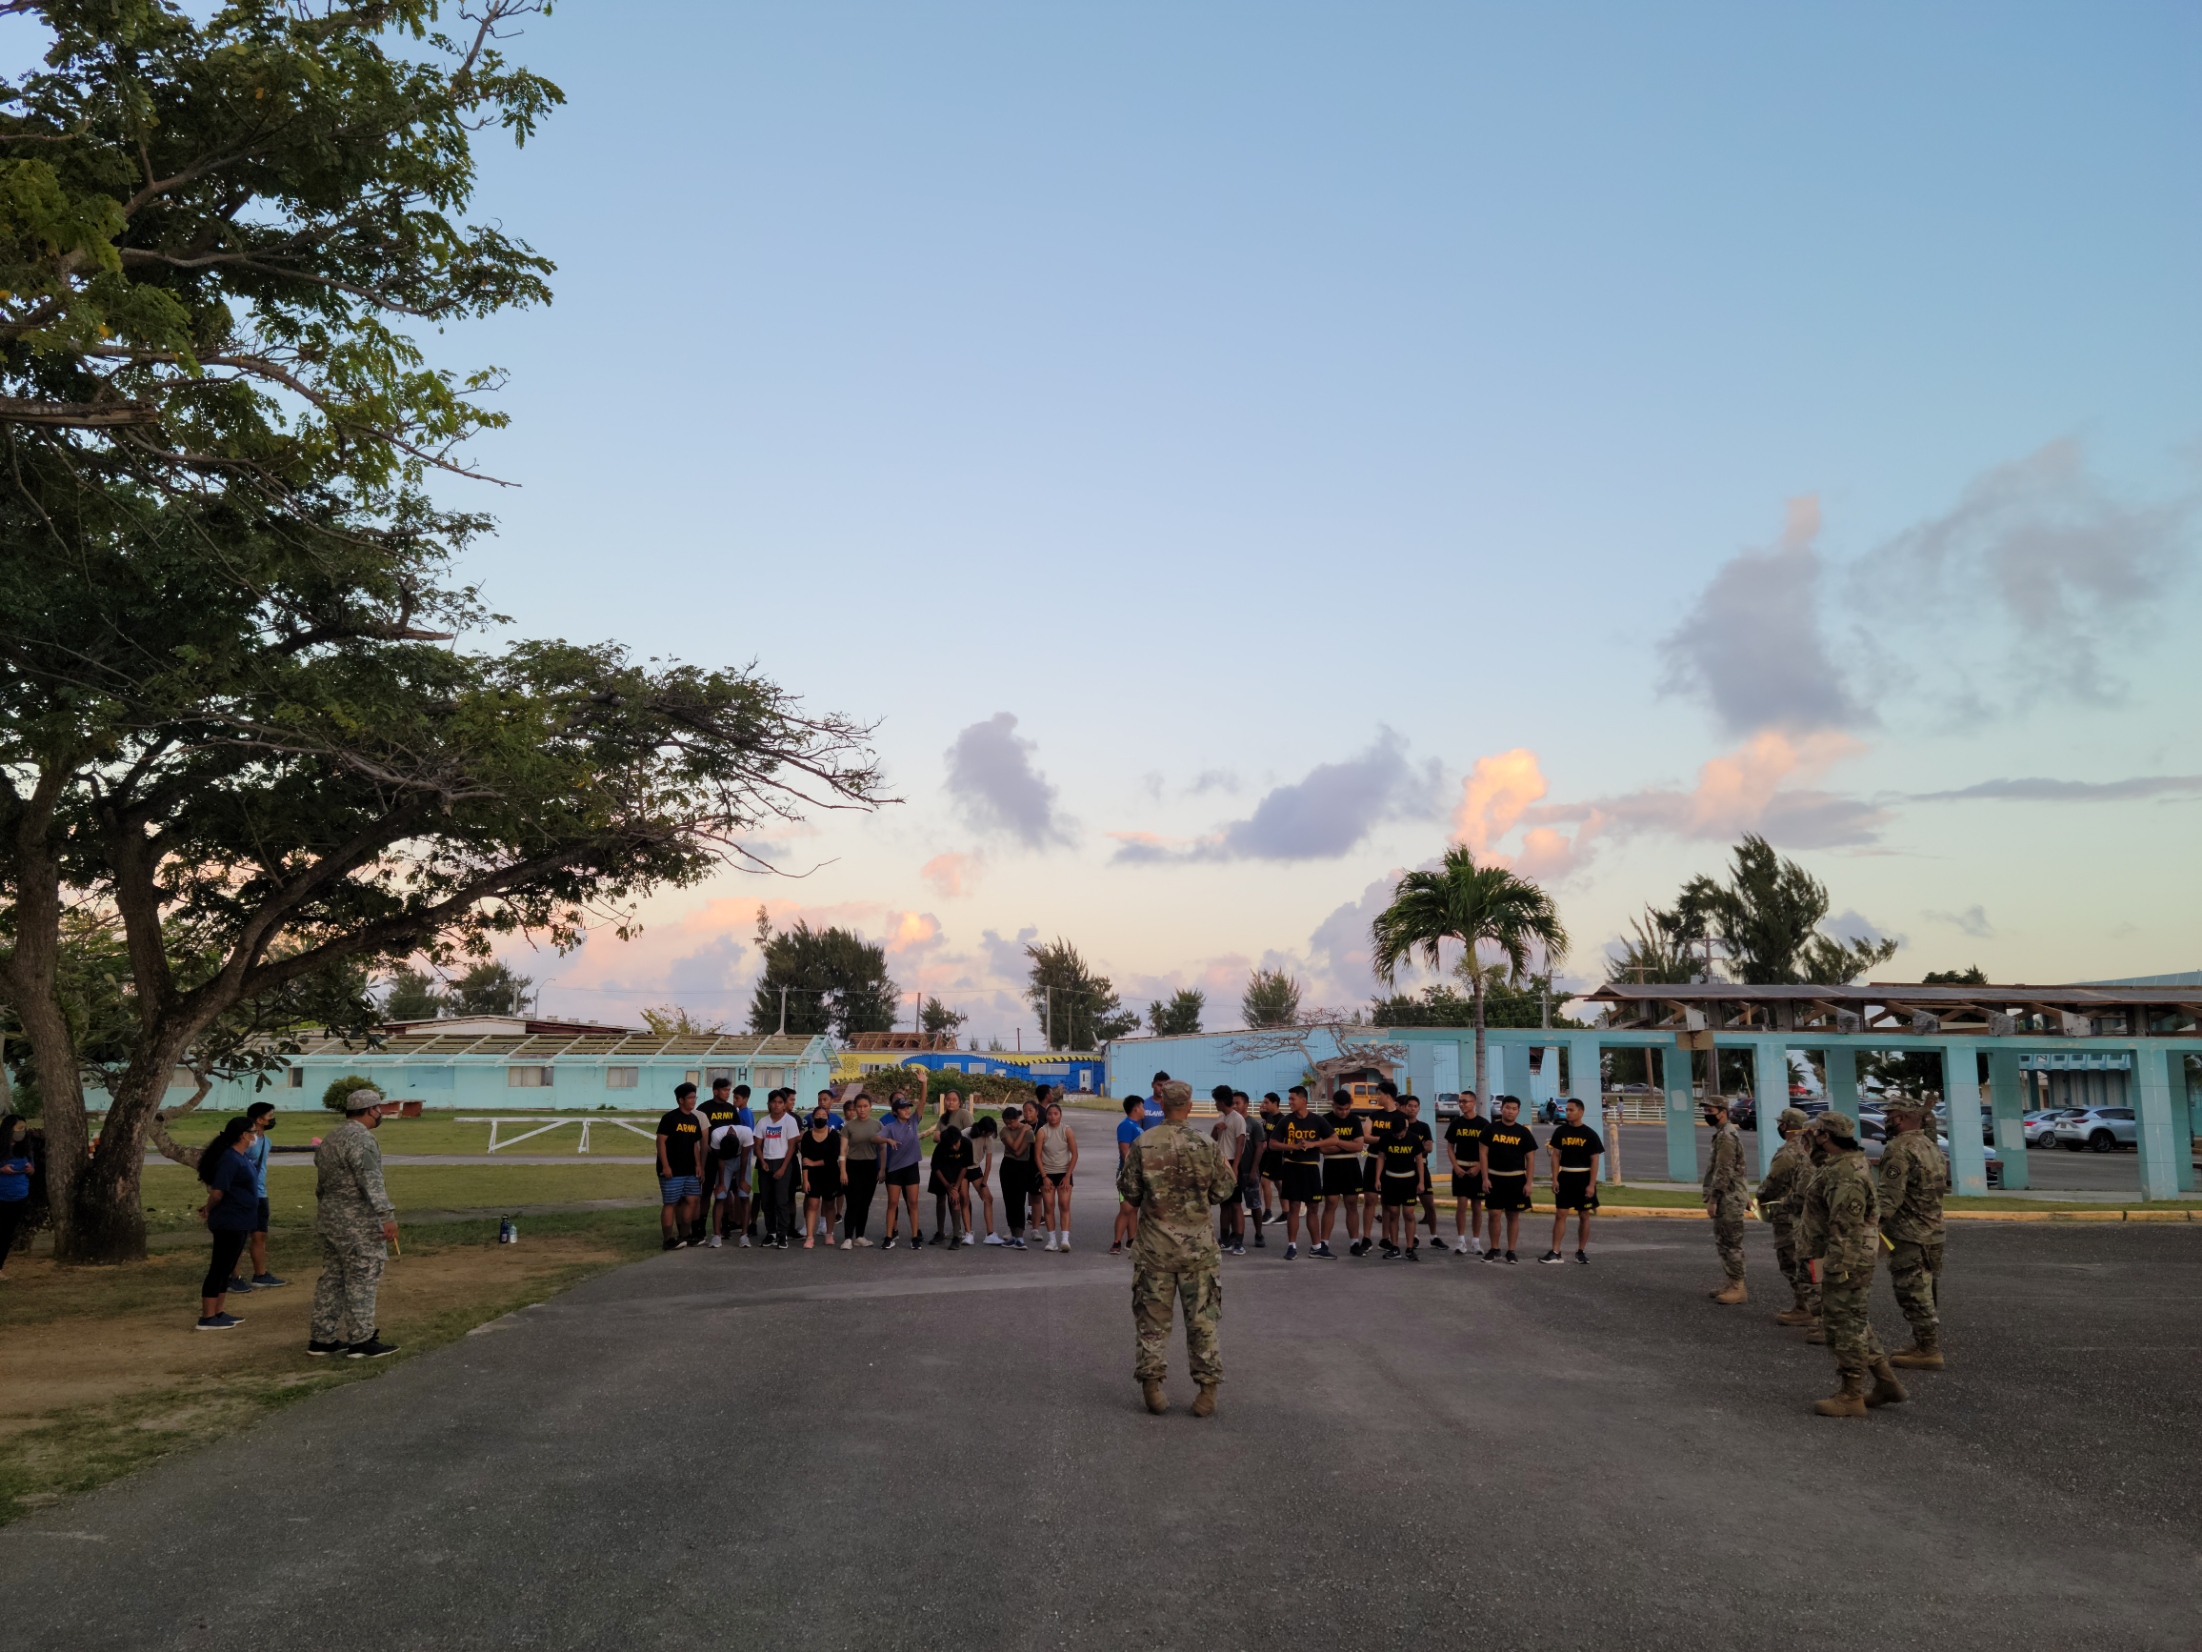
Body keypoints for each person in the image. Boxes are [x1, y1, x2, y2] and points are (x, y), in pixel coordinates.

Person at [1116, 1081, 1238, 1417]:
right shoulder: (1206, 1143)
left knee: (1152, 1323)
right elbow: (1223, 1191)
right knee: (1203, 1323)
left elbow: (1130, 1192)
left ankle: (1152, 1388)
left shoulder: (1143, 1143)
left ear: (1162, 1103)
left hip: (1155, 1251)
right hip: (1198, 1252)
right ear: (1189, 1105)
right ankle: (1207, 1392)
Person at [1797, 1113, 1907, 1418]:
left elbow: (1845, 1226)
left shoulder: (1845, 1173)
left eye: (1816, 1132)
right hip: (1845, 1256)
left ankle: (1851, 1395)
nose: (1811, 1136)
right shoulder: (1840, 1164)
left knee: (1842, 1326)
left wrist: (1831, 1269)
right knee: (1857, 1323)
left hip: (1844, 1260)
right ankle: (1887, 1384)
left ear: (1826, 1136)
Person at [309, 1088, 398, 1358]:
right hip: (357, 1220)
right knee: (363, 1275)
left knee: (333, 1277)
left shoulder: (332, 1137)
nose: (380, 1113)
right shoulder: (362, 1139)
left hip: (330, 1217)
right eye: (378, 1109)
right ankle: (361, 1340)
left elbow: (321, 1182)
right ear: (371, 1110)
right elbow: (370, 1179)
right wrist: (386, 1215)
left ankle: (322, 1338)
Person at [1876, 1094, 1949, 1370]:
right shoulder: (1929, 1144)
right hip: (1933, 1229)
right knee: (1927, 1289)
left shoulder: (1899, 1148)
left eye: (1890, 1116)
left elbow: (1889, 1199)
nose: (1887, 1120)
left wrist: (1867, 1225)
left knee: (1912, 1291)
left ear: (1903, 1118)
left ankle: (1928, 1349)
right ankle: (1922, 1342)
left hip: (1909, 1234)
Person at [194, 1116, 259, 1331]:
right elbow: (217, 1191)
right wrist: (208, 1209)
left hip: (241, 1219)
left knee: (227, 1267)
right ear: (243, 1135)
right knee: (219, 1268)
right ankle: (207, 1316)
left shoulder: (241, 1157)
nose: (256, 1135)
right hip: (229, 1221)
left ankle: (218, 1312)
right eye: (253, 1131)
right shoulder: (230, 1159)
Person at [1758, 1107, 1817, 1325]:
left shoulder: (1789, 1152)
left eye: (1781, 1123)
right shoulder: (1810, 1148)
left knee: (1791, 1262)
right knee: (1810, 1262)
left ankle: (1807, 1308)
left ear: (1785, 1126)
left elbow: (1774, 1182)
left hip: (1788, 1213)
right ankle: (1811, 1307)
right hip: (1809, 1215)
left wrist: (1760, 1197)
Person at [1540, 1098, 1603, 1264]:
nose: (1568, 1113)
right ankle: (1555, 1251)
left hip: (1583, 1177)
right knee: (1561, 1213)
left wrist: (1591, 1184)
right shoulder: (1560, 1131)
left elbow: (1595, 1161)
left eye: (1571, 1110)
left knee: (1584, 1215)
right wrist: (1554, 1178)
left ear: (1581, 1112)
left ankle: (1581, 1251)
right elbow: (1555, 1156)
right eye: (1566, 1110)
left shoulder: (1590, 1134)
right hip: (1565, 1176)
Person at [232, 1101, 286, 1291]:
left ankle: (260, 1275)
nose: (272, 1118)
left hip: (260, 1194)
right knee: (238, 1236)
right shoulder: (246, 1140)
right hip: (243, 1194)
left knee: (260, 1235)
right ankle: (234, 1277)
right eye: (270, 1115)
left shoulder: (266, 1141)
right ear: (259, 1119)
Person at [1701, 1094, 1750, 1304]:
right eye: (1705, 1111)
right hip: (1731, 1195)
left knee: (1731, 1243)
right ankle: (1731, 1282)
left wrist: (1714, 1199)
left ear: (1723, 1112)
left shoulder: (1726, 1137)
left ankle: (1738, 1287)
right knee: (1724, 1242)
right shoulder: (1723, 1134)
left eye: (1710, 1111)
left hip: (1728, 1197)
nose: (1707, 1115)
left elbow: (1724, 1170)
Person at [1477, 1096, 1537, 1264]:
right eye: (1507, 1107)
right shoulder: (1490, 1129)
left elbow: (1531, 1158)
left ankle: (1511, 1251)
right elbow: (1483, 1154)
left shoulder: (1523, 1132)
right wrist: (1485, 1178)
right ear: (1501, 1108)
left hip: (1516, 1179)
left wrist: (1528, 1183)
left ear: (1518, 1111)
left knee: (1513, 1216)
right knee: (1494, 1214)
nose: (1510, 1111)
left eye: (1514, 1108)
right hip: (1495, 1178)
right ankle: (1494, 1249)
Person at [1274, 1086, 1329, 1260]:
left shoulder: (1317, 1120)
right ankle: (1292, 1246)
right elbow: (1273, 1143)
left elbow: (1334, 1138)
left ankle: (1317, 1247)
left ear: (1303, 1100)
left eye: (1292, 1099)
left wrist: (1314, 1144)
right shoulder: (1286, 1121)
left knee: (1313, 1207)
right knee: (1294, 1208)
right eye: (1289, 1099)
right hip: (1292, 1167)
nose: (1289, 1102)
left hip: (1311, 1167)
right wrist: (1293, 1147)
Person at [655, 1082, 708, 1251]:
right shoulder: (669, 1118)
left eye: (695, 1097)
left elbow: (694, 1144)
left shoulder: (694, 1119)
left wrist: (699, 1164)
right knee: (670, 1202)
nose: (693, 1101)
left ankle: (684, 1235)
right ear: (680, 1100)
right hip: (672, 1169)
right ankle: (668, 1239)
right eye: (690, 1098)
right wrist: (665, 1166)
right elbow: (661, 1142)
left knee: (692, 1199)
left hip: (689, 1169)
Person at [1374, 1094, 1427, 1260]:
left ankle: (1410, 1248)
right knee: (1393, 1214)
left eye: (1401, 1134)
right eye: (1396, 1135)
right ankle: (1395, 1247)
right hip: (1391, 1180)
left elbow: (1419, 1160)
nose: (1399, 1137)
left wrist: (1421, 1181)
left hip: (1409, 1181)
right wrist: (1377, 1179)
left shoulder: (1413, 1139)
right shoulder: (1385, 1138)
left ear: (1406, 1128)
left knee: (1409, 1214)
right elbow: (1381, 1158)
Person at [752, 1090, 803, 1250]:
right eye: (774, 1102)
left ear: (784, 1104)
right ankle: (771, 1232)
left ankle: (783, 1234)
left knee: (782, 1201)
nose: (777, 1105)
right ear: (769, 1104)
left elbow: (791, 1147)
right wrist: (762, 1161)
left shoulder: (789, 1121)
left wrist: (783, 1168)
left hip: (783, 1162)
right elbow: (757, 1145)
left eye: (780, 1102)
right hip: (766, 1162)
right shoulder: (763, 1122)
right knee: (766, 1201)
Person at [1317, 1089, 1364, 1259]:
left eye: (1346, 1109)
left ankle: (1354, 1243)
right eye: (1339, 1109)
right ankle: (1324, 1243)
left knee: (1352, 1204)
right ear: (1333, 1105)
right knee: (1330, 1203)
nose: (1343, 1112)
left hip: (1351, 1165)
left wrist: (1336, 1142)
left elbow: (1359, 1146)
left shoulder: (1355, 1120)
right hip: (1332, 1166)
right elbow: (1322, 1148)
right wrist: (1346, 1143)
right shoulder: (1326, 1120)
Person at [695, 1079, 743, 1244]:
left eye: (729, 1090)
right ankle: (700, 1226)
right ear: (715, 1091)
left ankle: (725, 1224)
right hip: (709, 1158)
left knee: (726, 1191)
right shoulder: (704, 1109)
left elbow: (737, 1130)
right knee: (707, 1192)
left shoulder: (731, 1109)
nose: (727, 1093)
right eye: (724, 1090)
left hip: (728, 1158)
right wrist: (705, 1147)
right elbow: (699, 1132)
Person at [1443, 1091, 1491, 1254]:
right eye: (1460, 1101)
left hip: (1477, 1170)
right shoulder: (1456, 1123)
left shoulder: (1484, 1124)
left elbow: (1488, 1150)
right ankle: (1460, 1240)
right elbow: (1450, 1147)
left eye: (1465, 1101)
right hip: (1460, 1169)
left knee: (1477, 1206)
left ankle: (1476, 1241)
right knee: (1461, 1204)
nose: (1462, 1104)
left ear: (1474, 1102)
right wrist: (1456, 1166)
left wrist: (1478, 1167)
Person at [877, 1094, 924, 1252]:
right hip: (895, 1169)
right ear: (896, 1111)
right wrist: (887, 1140)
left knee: (913, 1203)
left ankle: (915, 1237)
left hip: (911, 1168)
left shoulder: (914, 1121)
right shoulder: (890, 1127)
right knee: (892, 1203)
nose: (907, 1110)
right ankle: (889, 1237)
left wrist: (923, 1083)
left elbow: (922, 1100)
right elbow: (874, 1138)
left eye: (908, 1108)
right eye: (903, 1108)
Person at [1209, 1090, 1249, 1255]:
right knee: (1224, 1203)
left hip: (1233, 1162)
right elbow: (1213, 1139)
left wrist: (1235, 1167)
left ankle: (1238, 1242)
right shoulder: (1221, 1117)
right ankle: (1224, 1239)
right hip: (1220, 1163)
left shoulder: (1237, 1119)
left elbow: (1240, 1144)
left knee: (1236, 1204)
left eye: (1216, 1101)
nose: (1215, 1104)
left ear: (1221, 1101)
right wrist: (1215, 1127)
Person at [708, 1106, 755, 1248]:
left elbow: (745, 1159)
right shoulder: (716, 1135)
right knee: (720, 1196)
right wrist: (722, 1183)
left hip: (741, 1160)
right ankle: (717, 1236)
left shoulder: (746, 1133)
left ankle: (744, 1235)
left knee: (744, 1195)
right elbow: (720, 1160)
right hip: (725, 1163)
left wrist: (741, 1180)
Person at [798, 1107, 843, 1250]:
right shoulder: (807, 1136)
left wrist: (814, 1163)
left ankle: (829, 1233)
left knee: (829, 1205)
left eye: (824, 1115)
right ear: (812, 1117)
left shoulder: (834, 1135)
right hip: (812, 1176)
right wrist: (805, 1180)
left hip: (830, 1175)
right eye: (818, 1115)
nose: (821, 1117)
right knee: (812, 1205)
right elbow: (804, 1159)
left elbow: (833, 1157)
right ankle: (809, 1237)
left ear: (828, 1119)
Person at [840, 1093, 881, 1249]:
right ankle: (848, 1238)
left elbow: (882, 1149)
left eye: (865, 1106)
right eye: (859, 1107)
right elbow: (843, 1150)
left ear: (870, 1106)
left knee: (865, 1204)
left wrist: (881, 1169)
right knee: (853, 1203)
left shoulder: (877, 1125)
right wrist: (843, 1171)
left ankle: (860, 1236)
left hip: (870, 1167)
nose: (862, 1110)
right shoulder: (848, 1126)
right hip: (852, 1166)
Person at [1036, 1101, 1078, 1252]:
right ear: (1046, 1116)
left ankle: (1065, 1239)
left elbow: (1074, 1154)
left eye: (1056, 1114)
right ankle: (1052, 1240)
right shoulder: (1042, 1131)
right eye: (1049, 1114)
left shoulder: (1067, 1130)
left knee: (1064, 1204)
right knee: (1048, 1205)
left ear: (1060, 1115)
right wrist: (1044, 1176)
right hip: (1047, 1172)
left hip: (1063, 1172)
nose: (1052, 1117)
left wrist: (1068, 1176)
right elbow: (1037, 1155)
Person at [1112, 1096, 1150, 1255]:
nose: (1144, 1110)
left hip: (1138, 1173)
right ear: (1136, 1108)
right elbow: (1124, 1150)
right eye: (1142, 1107)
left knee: (1134, 1208)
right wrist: (1131, 1170)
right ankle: (1116, 1242)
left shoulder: (1137, 1126)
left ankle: (1131, 1240)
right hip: (1128, 1173)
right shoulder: (1126, 1126)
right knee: (1126, 1208)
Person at [998, 1104, 1038, 1249]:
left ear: (1017, 1118)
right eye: (1007, 1123)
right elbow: (1014, 1149)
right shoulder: (1005, 1131)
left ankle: (1019, 1237)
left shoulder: (1029, 1132)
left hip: (1023, 1166)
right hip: (1007, 1166)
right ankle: (1013, 1235)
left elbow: (1021, 1152)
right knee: (1009, 1201)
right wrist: (1022, 1129)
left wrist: (1023, 1130)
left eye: (1012, 1122)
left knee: (1019, 1200)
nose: (1010, 1126)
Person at [928, 1122, 973, 1247]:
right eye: (950, 1145)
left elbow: (965, 1167)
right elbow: (935, 1167)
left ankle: (956, 1236)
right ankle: (940, 1233)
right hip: (940, 1174)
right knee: (941, 1200)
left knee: (955, 1200)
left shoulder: (966, 1144)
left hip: (956, 1173)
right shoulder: (941, 1147)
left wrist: (956, 1187)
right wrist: (947, 1186)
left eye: (955, 1143)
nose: (953, 1147)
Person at [0, 1114, 33, 1278]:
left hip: (19, 1195)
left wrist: (29, 1169)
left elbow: (32, 1168)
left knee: (7, 1233)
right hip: (1, 1194)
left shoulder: (24, 1149)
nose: (21, 1132)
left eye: (23, 1129)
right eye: (18, 1128)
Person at [1237, 1094, 1269, 1249]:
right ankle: (1235, 1234)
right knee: (1234, 1206)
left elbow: (1259, 1148)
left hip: (1249, 1171)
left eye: (1238, 1103)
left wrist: (1254, 1170)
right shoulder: (1231, 1122)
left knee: (1254, 1205)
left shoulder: (1253, 1125)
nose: (1235, 1106)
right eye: (1233, 1103)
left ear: (1246, 1104)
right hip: (1234, 1171)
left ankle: (1259, 1233)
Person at [967, 1115, 1001, 1245]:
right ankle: (967, 1233)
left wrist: (984, 1182)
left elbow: (988, 1163)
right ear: (983, 1130)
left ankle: (990, 1233)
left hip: (975, 1169)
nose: (991, 1134)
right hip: (961, 1169)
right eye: (990, 1131)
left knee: (988, 1198)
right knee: (964, 1200)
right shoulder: (965, 1133)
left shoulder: (988, 1139)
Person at [1256, 1093, 1286, 1225]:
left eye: (1267, 1102)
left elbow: (1284, 1139)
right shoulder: (1269, 1118)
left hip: (1277, 1156)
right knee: (1279, 1184)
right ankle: (1286, 1212)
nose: (1264, 1105)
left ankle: (1268, 1212)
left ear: (1275, 1103)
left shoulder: (1282, 1120)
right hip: (1267, 1155)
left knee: (1265, 1181)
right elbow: (1267, 1134)